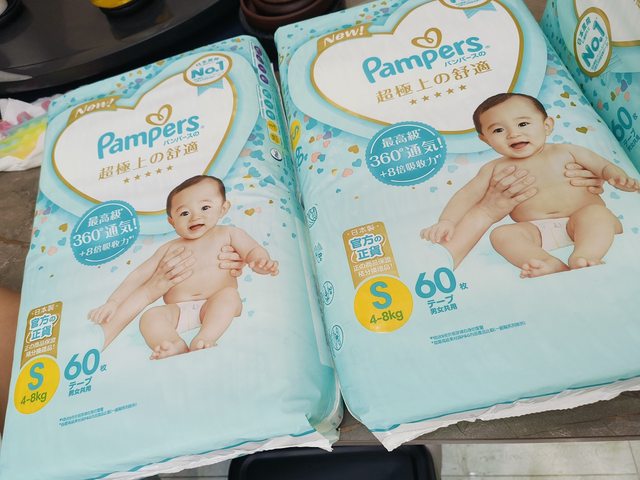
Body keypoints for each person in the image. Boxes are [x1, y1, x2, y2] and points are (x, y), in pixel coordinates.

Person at [422, 92, 639, 278]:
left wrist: (618, 178)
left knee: (596, 214)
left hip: (584, 220)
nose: (513, 134)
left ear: (547, 125)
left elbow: (603, 167)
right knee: (501, 234)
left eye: (523, 124)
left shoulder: (567, 151)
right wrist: (447, 221)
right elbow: (466, 195)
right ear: (485, 139)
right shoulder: (493, 169)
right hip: (537, 230)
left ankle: (586, 256)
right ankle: (545, 262)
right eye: (498, 130)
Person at [89, 175, 279, 360]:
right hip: (178, 310)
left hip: (215, 302)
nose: (195, 216)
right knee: (150, 316)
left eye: (205, 207)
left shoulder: (229, 233)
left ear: (223, 208)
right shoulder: (168, 249)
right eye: (184, 213)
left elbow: (252, 250)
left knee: (229, 296)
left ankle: (205, 338)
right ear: (172, 221)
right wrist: (113, 302)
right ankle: (171, 344)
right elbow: (139, 275)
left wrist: (260, 261)